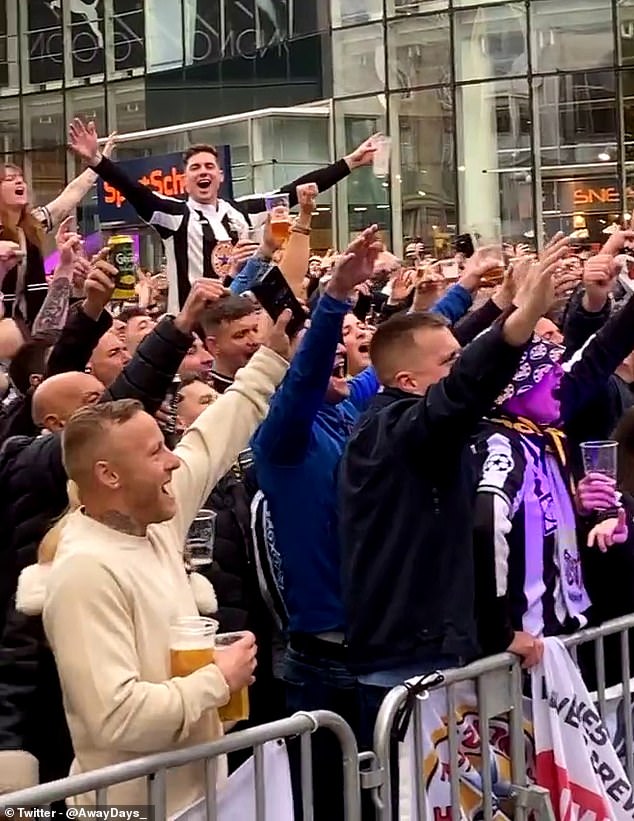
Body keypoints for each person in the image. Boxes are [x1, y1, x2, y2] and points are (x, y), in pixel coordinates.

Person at [37, 303, 292, 813]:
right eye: (155, 452)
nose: (173, 459)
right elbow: (116, 716)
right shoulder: (85, 570)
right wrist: (217, 679)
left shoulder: (155, 519)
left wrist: (267, 363)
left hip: (197, 798)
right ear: (110, 476)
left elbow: (210, 441)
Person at [338, 236, 571, 750]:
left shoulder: (414, 419)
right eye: (447, 363)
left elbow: (458, 376)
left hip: (438, 650)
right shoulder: (392, 431)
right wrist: (518, 323)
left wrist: (508, 305)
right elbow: (461, 391)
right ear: (407, 380)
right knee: (413, 798)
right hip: (405, 662)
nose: (458, 368)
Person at [68, 119, 380, 311]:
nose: (202, 172)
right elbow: (134, 189)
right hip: (191, 325)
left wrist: (349, 163)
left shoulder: (242, 212)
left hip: (237, 318)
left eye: (208, 167)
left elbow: (296, 192)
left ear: (220, 176)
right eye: (194, 168)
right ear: (185, 179)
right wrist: (97, 160)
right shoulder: (174, 215)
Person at [0, 135, 115, 327]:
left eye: (21, 179)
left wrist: (99, 161)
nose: (20, 183)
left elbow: (71, 194)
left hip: (32, 329)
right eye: (10, 180)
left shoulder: (33, 224)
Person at [200, 295, 261, 394]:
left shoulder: (271, 378)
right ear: (214, 345)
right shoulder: (209, 397)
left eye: (255, 330)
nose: (255, 341)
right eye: (241, 335)